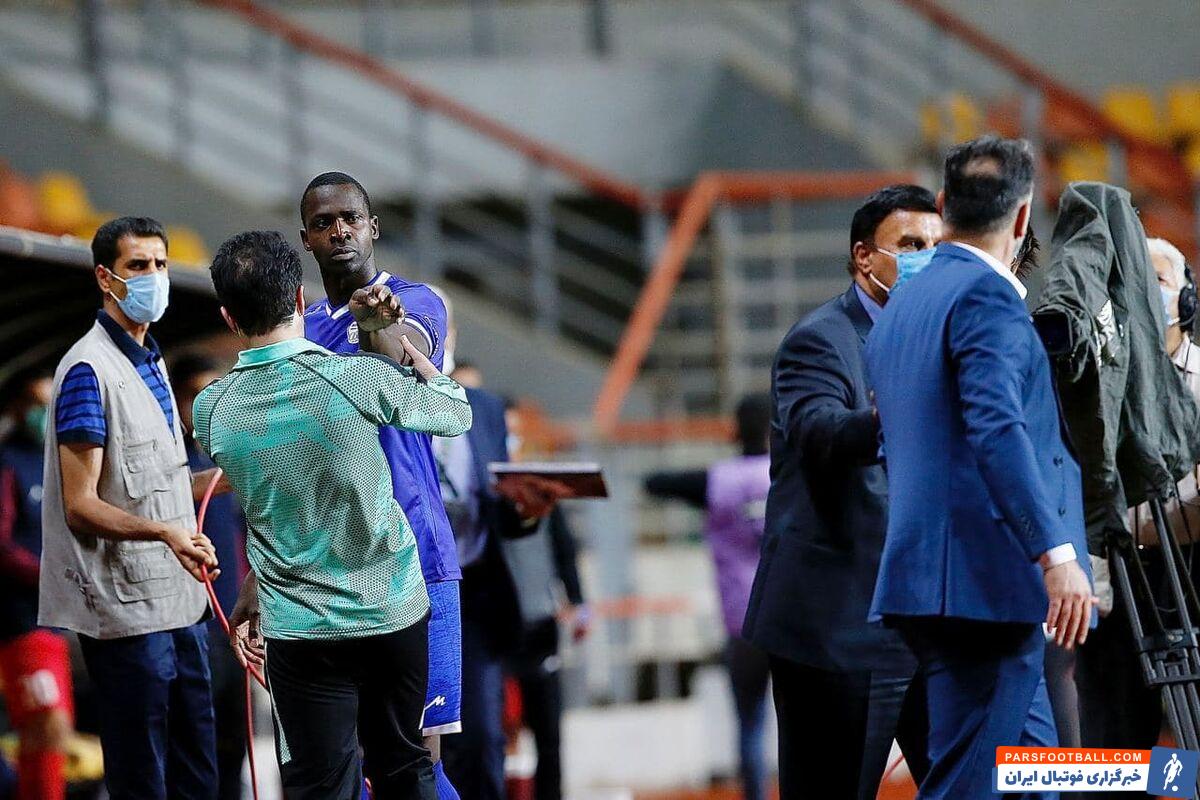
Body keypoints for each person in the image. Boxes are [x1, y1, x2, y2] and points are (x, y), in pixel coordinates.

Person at [196, 230, 473, 800]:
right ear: (301, 299)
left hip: (300, 629)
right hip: (391, 609)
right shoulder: (354, 378)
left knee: (321, 785)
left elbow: (273, 484)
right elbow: (453, 413)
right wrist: (406, 354)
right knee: (407, 768)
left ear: (228, 317)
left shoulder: (212, 409)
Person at [864, 137, 1094, 800]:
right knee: (968, 786)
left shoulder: (903, 305)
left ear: (943, 205)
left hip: (932, 579)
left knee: (1038, 776)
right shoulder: (986, 299)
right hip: (984, 589)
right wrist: (1055, 553)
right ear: (1023, 218)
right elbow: (996, 430)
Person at [742, 185, 941, 800]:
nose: (926, 259)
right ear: (864, 256)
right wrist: (893, 414)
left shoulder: (942, 339)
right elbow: (819, 431)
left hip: (931, 624)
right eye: (911, 245)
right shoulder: (821, 339)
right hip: (839, 628)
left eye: (936, 247)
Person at [37, 216, 222, 800]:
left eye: (160, 264)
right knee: (144, 778)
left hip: (183, 603)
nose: (153, 277)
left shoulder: (152, 361)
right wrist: (166, 534)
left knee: (199, 773)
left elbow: (162, 487)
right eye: (137, 266)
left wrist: (239, 474)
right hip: (129, 614)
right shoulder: (89, 371)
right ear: (105, 278)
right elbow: (80, 505)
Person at [299, 172, 466, 798]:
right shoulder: (299, 331)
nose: (339, 231)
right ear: (307, 240)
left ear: (373, 227)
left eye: (350, 218)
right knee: (351, 768)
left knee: (416, 761)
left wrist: (375, 325)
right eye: (323, 223)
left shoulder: (417, 302)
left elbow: (401, 360)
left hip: (416, 558)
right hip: (333, 571)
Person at [432, 292, 571, 800]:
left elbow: (500, 512)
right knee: (412, 744)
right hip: (406, 591)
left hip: (475, 592)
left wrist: (527, 510)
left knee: (482, 739)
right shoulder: (379, 407)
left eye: (438, 325)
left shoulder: (486, 409)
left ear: (452, 335)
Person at [1075, 237, 1199, 773]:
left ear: (1187, 298)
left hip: (1191, 575)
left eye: (1159, 280)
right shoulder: (1092, 387)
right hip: (1116, 588)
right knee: (1115, 762)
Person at [643, 394, 772, 800]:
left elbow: (655, 482)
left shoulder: (717, 481)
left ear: (735, 431)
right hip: (791, 619)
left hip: (741, 622)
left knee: (750, 724)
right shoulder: (789, 476)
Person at [500, 398, 589, 800]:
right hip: (495, 629)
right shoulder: (478, 493)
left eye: (515, 431)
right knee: (490, 734)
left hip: (539, 626)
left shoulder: (541, 489)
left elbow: (564, 549)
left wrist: (579, 603)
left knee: (549, 733)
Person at [172, 353, 248, 800]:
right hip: (191, 620)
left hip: (232, 619)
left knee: (233, 741)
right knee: (196, 742)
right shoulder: (173, 461)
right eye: (197, 395)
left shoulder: (224, 454)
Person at [0, 367, 73, 800]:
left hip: (53, 619)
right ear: (16, 407)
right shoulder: (7, 462)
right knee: (47, 725)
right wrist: (49, 573)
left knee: (50, 731)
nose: (46, 415)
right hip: (21, 620)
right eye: (38, 405)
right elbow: (2, 543)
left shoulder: (54, 461)